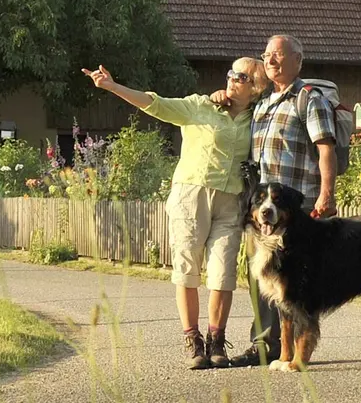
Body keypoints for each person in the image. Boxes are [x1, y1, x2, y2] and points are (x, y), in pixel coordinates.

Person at [82, 57, 270, 369]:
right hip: (191, 195)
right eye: (229, 73)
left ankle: (217, 341)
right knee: (187, 270)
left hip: (232, 200)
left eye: (239, 76)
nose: (230, 79)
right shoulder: (201, 106)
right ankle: (194, 342)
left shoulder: (258, 116)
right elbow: (156, 104)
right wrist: (112, 86)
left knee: (222, 274)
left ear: (255, 86)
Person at [220, 34, 343, 368]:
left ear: (297, 61)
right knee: (262, 277)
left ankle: (295, 348)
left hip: (295, 209)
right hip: (263, 211)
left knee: (295, 283)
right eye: (267, 55)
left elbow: (325, 147)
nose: (270, 60)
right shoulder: (263, 102)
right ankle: (265, 346)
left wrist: (327, 194)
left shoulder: (307, 98)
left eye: (278, 55)